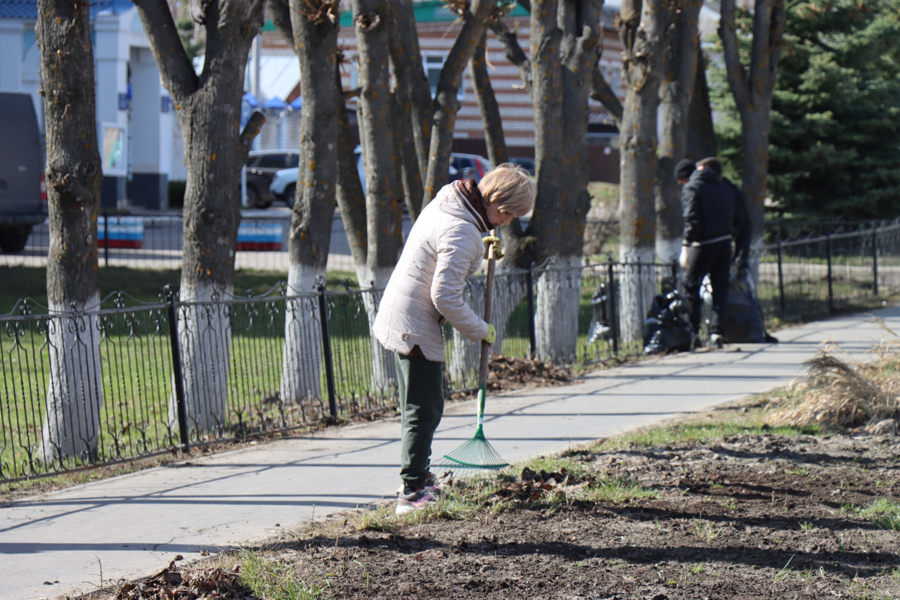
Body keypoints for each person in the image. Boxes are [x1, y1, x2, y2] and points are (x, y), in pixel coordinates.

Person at [373, 163, 536, 515]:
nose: (508, 221)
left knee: (418, 405)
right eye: (508, 213)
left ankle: (415, 476)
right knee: (424, 409)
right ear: (495, 199)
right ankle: (413, 491)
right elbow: (445, 297)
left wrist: (481, 250)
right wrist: (481, 329)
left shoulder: (452, 202)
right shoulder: (464, 231)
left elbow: (449, 250)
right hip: (414, 324)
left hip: (402, 311)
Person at [677, 156, 748, 348]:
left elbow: (692, 219)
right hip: (725, 243)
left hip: (702, 245)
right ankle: (717, 332)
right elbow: (736, 215)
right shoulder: (723, 186)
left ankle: (692, 333)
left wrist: (687, 243)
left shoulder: (692, 188)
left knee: (691, 287)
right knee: (720, 289)